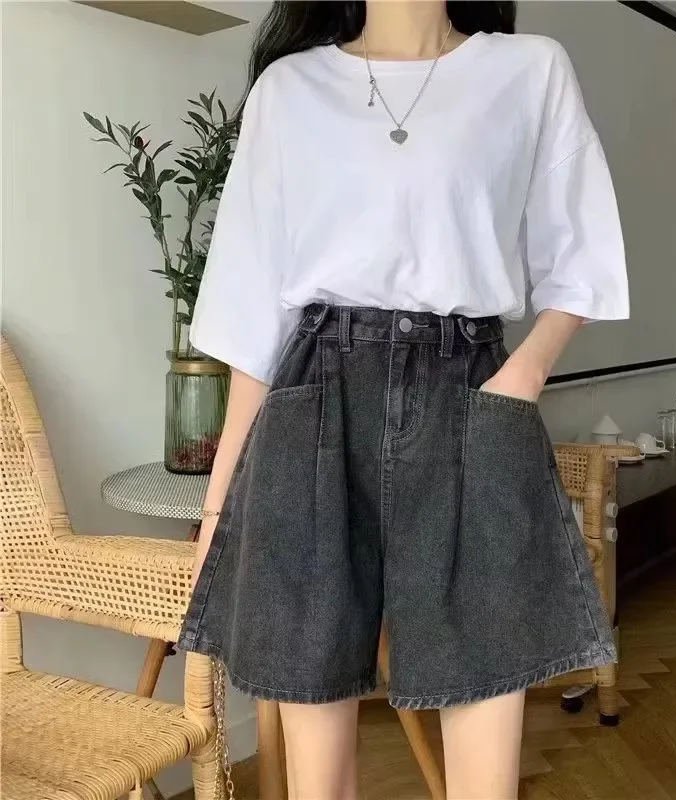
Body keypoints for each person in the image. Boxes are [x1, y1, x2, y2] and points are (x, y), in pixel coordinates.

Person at [177, 1, 629, 797]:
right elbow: (253, 315)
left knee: (484, 715)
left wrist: (522, 376)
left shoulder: (528, 71)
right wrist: (218, 509)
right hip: (315, 399)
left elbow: (582, 256)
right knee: (316, 763)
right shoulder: (289, 88)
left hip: (472, 397)